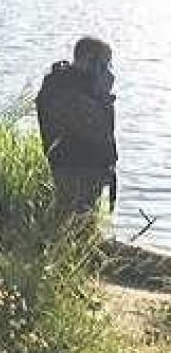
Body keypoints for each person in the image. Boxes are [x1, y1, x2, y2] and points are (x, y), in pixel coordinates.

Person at [36, 36, 118, 220]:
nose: (109, 72)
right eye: (105, 65)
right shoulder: (64, 89)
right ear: (89, 60)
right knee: (72, 226)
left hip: (87, 171)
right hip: (73, 171)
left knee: (80, 226)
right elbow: (92, 126)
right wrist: (103, 96)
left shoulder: (82, 89)